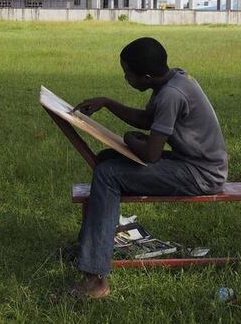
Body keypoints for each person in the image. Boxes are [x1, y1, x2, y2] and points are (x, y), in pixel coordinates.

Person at [69, 37, 227, 299]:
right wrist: (107, 102)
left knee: (108, 174)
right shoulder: (173, 79)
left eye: (128, 74)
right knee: (107, 159)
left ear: (146, 76)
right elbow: (148, 119)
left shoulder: (171, 95)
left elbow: (152, 154)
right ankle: (90, 247)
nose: (126, 79)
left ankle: (95, 280)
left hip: (201, 174)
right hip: (190, 162)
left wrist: (131, 140)